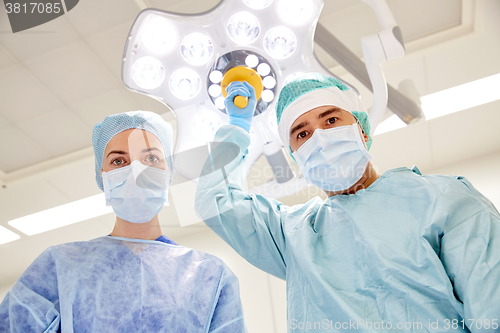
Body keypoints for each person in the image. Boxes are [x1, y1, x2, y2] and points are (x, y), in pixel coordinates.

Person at [194, 75, 500, 332]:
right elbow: (215, 201)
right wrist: (236, 127)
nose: (320, 138)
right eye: (302, 133)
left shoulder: (442, 199)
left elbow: (492, 312)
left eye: (331, 119)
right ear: (297, 158)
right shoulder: (293, 235)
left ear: (361, 130)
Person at [0, 111, 247, 333]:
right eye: (119, 161)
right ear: (102, 176)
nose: (135, 172)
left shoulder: (209, 276)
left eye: (150, 159)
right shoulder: (60, 267)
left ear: (168, 172)